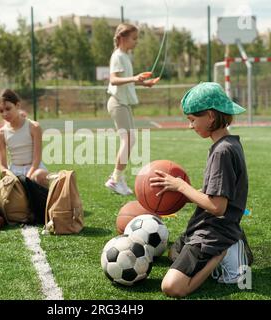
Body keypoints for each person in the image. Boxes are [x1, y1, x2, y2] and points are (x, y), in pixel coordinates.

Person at [149, 82, 252, 297]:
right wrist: (180, 196)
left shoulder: (222, 151)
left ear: (211, 117)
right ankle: (232, 244)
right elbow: (217, 194)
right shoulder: (227, 144)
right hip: (207, 223)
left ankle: (223, 253)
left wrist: (182, 186)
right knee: (173, 254)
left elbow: (218, 206)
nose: (190, 126)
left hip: (215, 231)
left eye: (192, 120)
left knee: (171, 287)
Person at [105, 23, 154, 196]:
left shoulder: (125, 56)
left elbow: (126, 80)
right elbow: (114, 80)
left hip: (123, 103)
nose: (136, 42)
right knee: (129, 141)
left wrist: (143, 82)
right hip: (117, 103)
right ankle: (115, 179)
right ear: (123, 38)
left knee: (130, 140)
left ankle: (118, 177)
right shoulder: (117, 56)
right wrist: (135, 77)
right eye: (134, 38)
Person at [0, 89, 48, 188]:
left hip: (34, 168)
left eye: (8, 108)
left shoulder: (34, 127)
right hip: (14, 171)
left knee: (40, 176)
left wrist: (27, 178)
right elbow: (2, 165)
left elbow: (37, 159)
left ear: (17, 105)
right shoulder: (0, 134)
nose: (5, 113)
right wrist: (9, 176)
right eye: (1, 111)